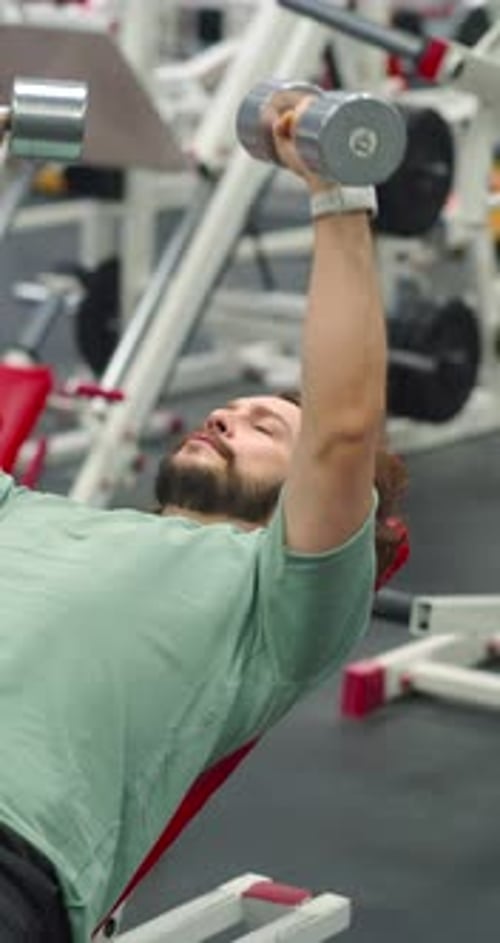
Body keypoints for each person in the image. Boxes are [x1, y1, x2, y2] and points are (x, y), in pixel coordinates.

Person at [0, 98, 406, 942]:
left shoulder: (273, 608)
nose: (226, 418)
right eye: (230, 409)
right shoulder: (24, 507)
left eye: (266, 427)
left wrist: (337, 192)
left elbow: (340, 431)